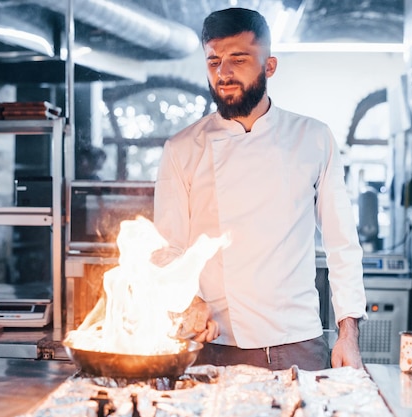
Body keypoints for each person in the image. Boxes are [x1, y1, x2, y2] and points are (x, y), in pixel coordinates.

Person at [152, 7, 367, 371]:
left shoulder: (312, 138)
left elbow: (341, 244)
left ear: (270, 66)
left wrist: (348, 334)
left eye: (238, 58)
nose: (224, 73)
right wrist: (188, 303)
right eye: (214, 61)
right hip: (214, 347)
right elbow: (166, 250)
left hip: (298, 343)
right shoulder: (183, 148)